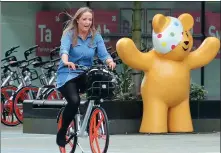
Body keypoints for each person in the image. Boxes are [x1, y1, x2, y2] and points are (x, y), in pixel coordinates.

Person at [56, 6, 116, 150]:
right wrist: (66, 61)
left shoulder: (96, 36)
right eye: (84, 19)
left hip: (84, 73)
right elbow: (64, 50)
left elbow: (103, 54)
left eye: (90, 19)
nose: (87, 22)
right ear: (77, 20)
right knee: (74, 100)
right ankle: (62, 131)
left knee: (98, 88)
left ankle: (91, 118)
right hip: (68, 73)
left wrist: (109, 61)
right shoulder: (69, 35)